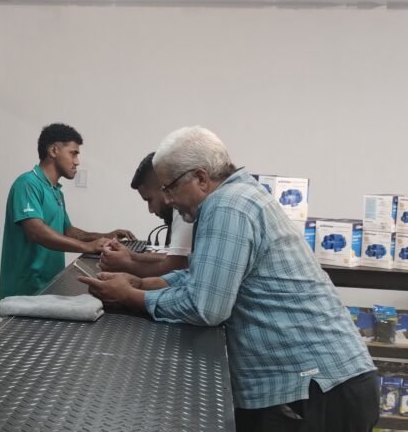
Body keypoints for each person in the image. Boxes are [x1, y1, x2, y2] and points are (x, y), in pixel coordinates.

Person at [79, 127, 378, 432]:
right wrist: (143, 284)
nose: (167, 199)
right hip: (316, 386)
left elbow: (207, 307)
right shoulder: (239, 195)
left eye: (170, 188)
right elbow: (208, 276)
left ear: (201, 178)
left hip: (315, 391)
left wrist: (130, 297)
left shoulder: (227, 205)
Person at [0, 123, 135, 300]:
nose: (77, 161)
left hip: (49, 287)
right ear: (53, 151)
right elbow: (36, 231)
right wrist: (87, 247)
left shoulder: (55, 191)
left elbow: (68, 231)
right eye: (73, 153)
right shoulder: (27, 184)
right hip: (24, 293)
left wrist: (104, 236)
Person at [98, 152, 192, 277]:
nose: (150, 210)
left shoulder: (184, 209)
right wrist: (132, 255)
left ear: (164, 186)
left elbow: (175, 266)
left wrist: (126, 265)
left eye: (149, 200)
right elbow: (174, 257)